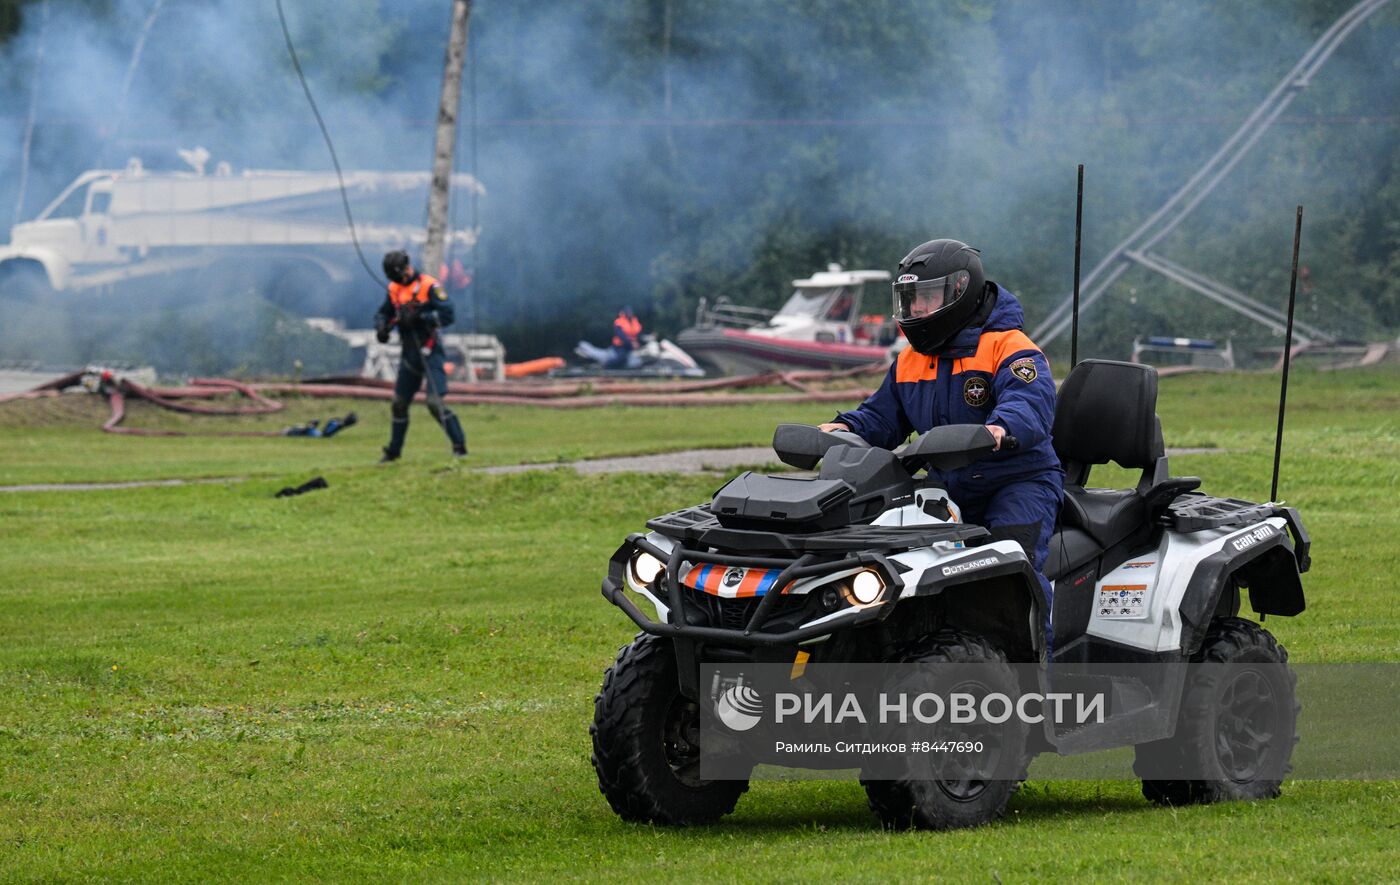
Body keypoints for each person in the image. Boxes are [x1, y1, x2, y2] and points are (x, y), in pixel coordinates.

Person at [820, 239, 1062, 631]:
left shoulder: (1011, 347)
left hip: (1018, 481)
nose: (916, 310)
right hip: (946, 486)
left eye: (926, 298)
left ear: (961, 292)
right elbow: (882, 418)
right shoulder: (910, 360)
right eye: (910, 300)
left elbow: (1029, 405)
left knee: (1012, 569)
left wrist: (999, 429)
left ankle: (1036, 680)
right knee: (896, 565)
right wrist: (844, 428)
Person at [374, 250, 468, 462]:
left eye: (399, 276)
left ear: (407, 268)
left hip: (430, 351)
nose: (398, 281)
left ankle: (459, 446)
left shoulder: (429, 285)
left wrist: (421, 317)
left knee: (434, 403)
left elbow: (448, 314)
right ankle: (393, 452)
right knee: (398, 403)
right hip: (408, 354)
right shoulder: (393, 289)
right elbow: (384, 313)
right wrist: (381, 327)